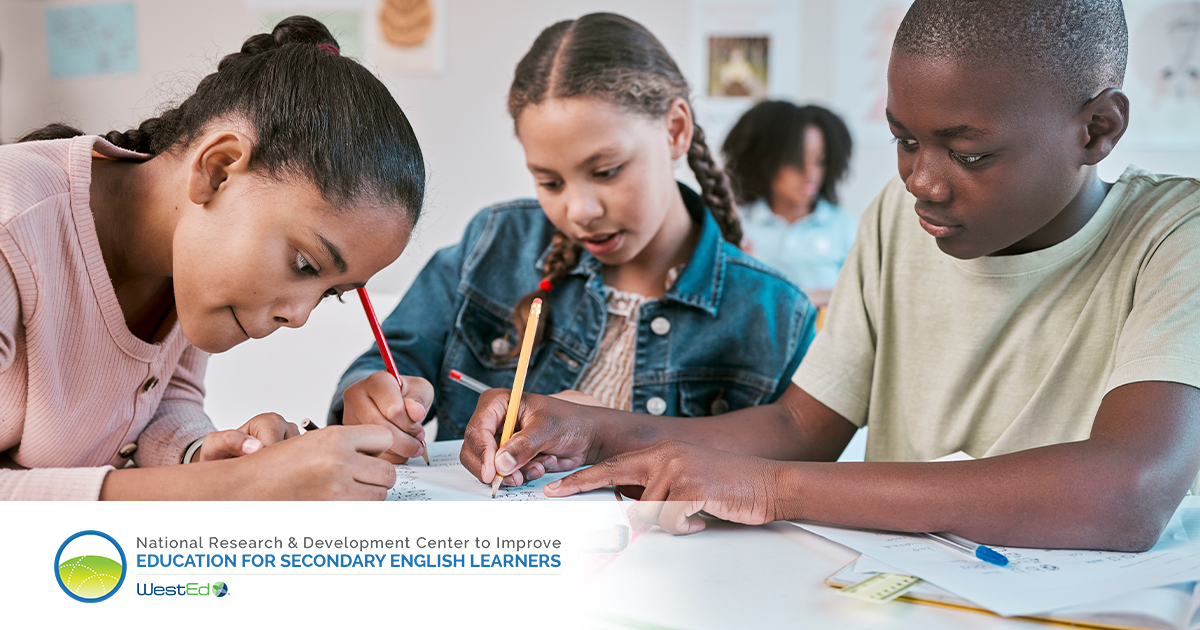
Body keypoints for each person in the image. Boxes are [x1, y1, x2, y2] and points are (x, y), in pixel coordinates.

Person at [461, 0, 1200, 551]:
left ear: (1098, 130)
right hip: (901, 596)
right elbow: (798, 426)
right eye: (904, 141)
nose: (923, 182)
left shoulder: (1173, 238)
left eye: (969, 154)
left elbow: (1127, 492)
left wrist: (774, 491)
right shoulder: (897, 219)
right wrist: (600, 433)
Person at [329, 13, 816, 464]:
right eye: (550, 182)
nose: (579, 211)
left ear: (675, 130)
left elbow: (776, 485)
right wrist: (371, 394)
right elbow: (390, 360)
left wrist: (606, 431)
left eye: (606, 171)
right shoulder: (494, 244)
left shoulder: (773, 314)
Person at [0, 16, 425, 500]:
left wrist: (202, 453)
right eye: (305, 263)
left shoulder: (187, 259)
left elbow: (159, 404)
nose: (299, 315)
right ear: (218, 169)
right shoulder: (11, 220)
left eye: (331, 294)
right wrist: (233, 485)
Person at [722, 101, 856, 299]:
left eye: (819, 161)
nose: (810, 174)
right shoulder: (735, 224)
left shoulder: (845, 228)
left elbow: (865, 298)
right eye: (795, 161)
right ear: (767, 161)